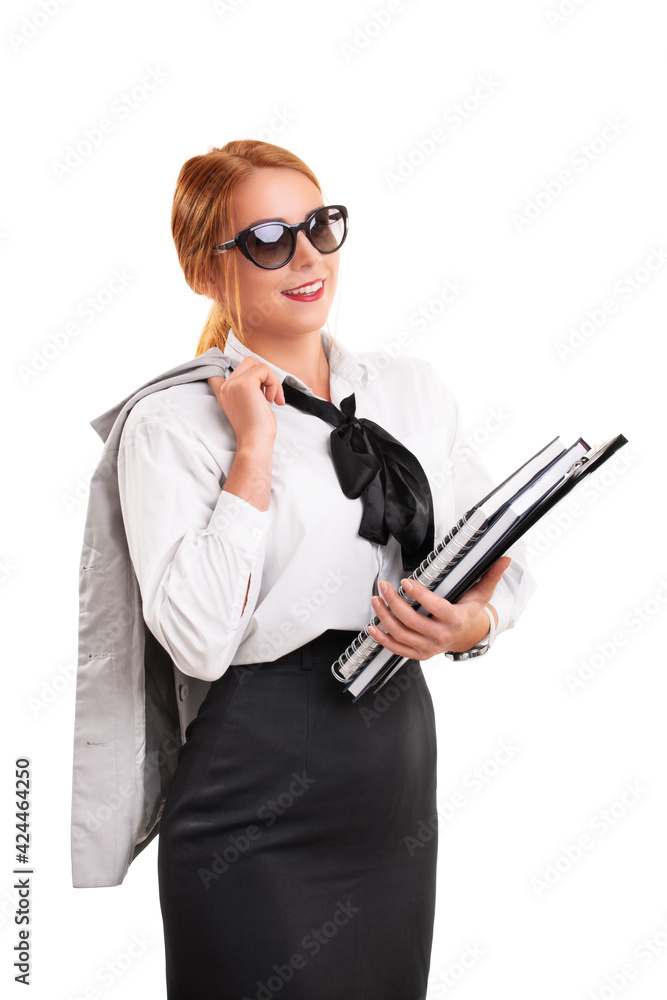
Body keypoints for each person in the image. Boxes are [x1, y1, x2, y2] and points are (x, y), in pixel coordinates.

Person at [115, 139, 535, 999]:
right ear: (206, 270)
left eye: (318, 227)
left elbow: (502, 548)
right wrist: (254, 455)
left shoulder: (410, 388)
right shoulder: (172, 424)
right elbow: (195, 642)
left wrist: (471, 624)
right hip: (254, 777)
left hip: (392, 766)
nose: (306, 257)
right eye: (268, 238)